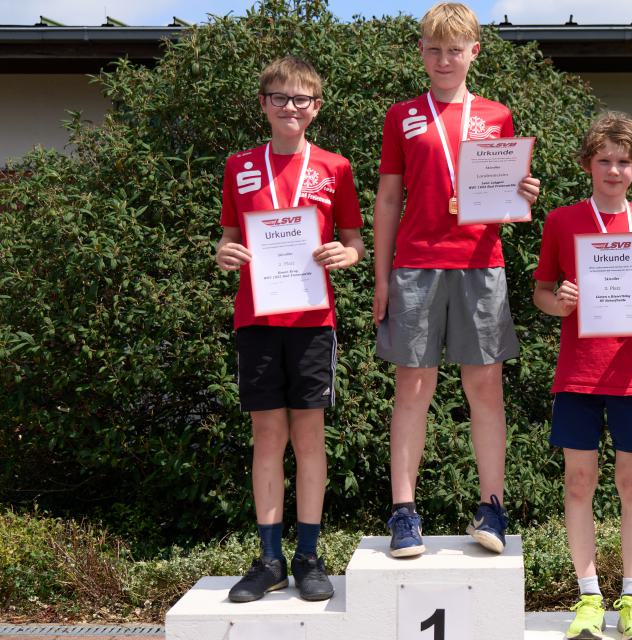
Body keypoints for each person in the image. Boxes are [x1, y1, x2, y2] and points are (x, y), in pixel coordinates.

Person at [373, 1, 540, 558]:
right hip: (416, 264)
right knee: (413, 387)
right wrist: (381, 277)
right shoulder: (402, 115)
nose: (444, 60)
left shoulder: (497, 115)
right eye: (434, 49)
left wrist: (522, 195)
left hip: (479, 262)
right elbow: (388, 198)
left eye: (454, 50)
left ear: (474, 52)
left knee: (485, 387)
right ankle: (404, 511)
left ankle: (492, 507)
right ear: (421, 52)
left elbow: (504, 197)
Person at [215, 56, 365, 602]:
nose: (290, 107)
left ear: (316, 108)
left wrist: (345, 255)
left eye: (301, 99)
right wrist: (223, 253)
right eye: (279, 98)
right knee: (267, 437)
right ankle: (269, 559)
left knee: (308, 439)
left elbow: (354, 241)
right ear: (264, 104)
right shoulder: (239, 166)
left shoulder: (335, 168)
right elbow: (228, 237)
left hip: (311, 321)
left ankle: (308, 556)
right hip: (256, 319)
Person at [533, 111, 632, 640]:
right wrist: (559, 302)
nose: (614, 170)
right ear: (588, 164)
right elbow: (542, 293)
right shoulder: (561, 221)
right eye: (604, 160)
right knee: (578, 483)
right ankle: (589, 597)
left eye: (623, 161)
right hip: (578, 373)